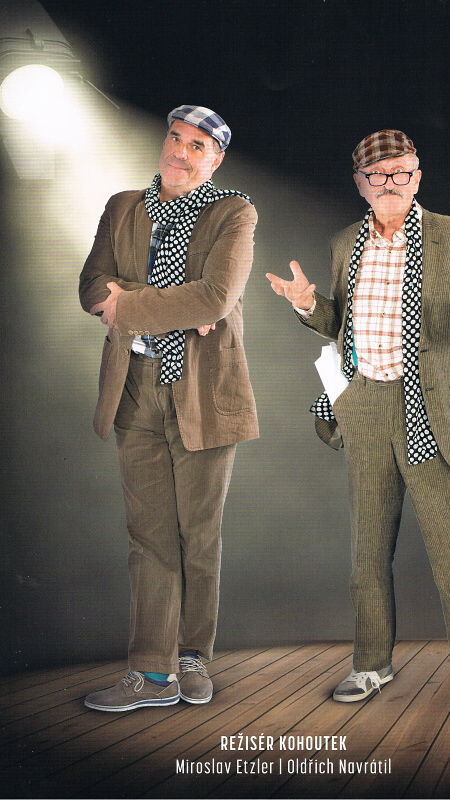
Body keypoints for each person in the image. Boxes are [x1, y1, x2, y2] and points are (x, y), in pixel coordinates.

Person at [266, 129, 450, 712]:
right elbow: (340, 325)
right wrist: (308, 305)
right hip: (366, 405)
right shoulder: (345, 242)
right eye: (377, 176)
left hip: (429, 407)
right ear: (361, 185)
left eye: (401, 172)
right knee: (368, 551)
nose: (390, 183)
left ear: (417, 177)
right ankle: (371, 664)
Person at [79, 105, 258, 712]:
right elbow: (90, 286)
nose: (180, 152)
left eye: (197, 146)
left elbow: (215, 296)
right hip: (133, 386)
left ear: (216, 159)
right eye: (175, 138)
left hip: (204, 392)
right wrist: (177, 307)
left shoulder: (233, 211)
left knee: (197, 535)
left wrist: (129, 303)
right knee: (149, 536)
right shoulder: (123, 207)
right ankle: (152, 675)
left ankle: (192, 658)